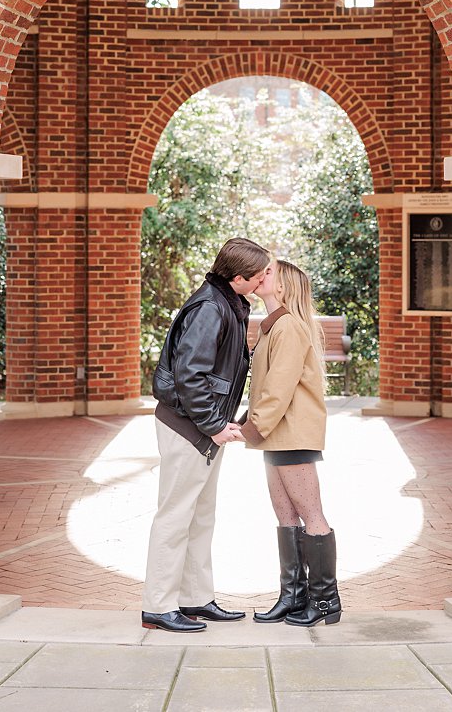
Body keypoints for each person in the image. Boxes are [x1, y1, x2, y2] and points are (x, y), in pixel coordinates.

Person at [141, 237, 272, 633]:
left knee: (200, 516)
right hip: (189, 427)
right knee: (175, 516)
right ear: (238, 277)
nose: (267, 278)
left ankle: (195, 599)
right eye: (260, 274)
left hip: (200, 427)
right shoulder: (209, 309)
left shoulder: (228, 301)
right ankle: (158, 607)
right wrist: (214, 425)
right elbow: (190, 375)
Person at [243, 258, 340, 626]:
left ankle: (326, 601)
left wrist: (250, 428)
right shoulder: (274, 327)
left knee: (311, 515)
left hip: (292, 434)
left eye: (268, 272)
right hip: (276, 436)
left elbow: (279, 389)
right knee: (286, 517)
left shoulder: (288, 328)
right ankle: (294, 596)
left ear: (282, 287)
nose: (260, 275)